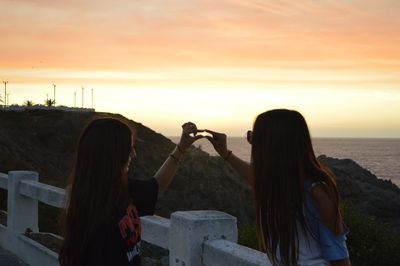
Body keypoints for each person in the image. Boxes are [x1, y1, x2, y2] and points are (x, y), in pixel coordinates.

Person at [205, 109, 351, 266]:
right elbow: (257, 180)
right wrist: (225, 153)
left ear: (274, 144)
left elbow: (339, 254)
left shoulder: (317, 192)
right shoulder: (280, 184)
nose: (252, 142)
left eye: (256, 137)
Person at [59, 118, 203, 266]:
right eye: (129, 148)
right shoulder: (93, 216)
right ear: (111, 153)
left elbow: (156, 187)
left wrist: (181, 148)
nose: (134, 155)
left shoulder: (119, 188)